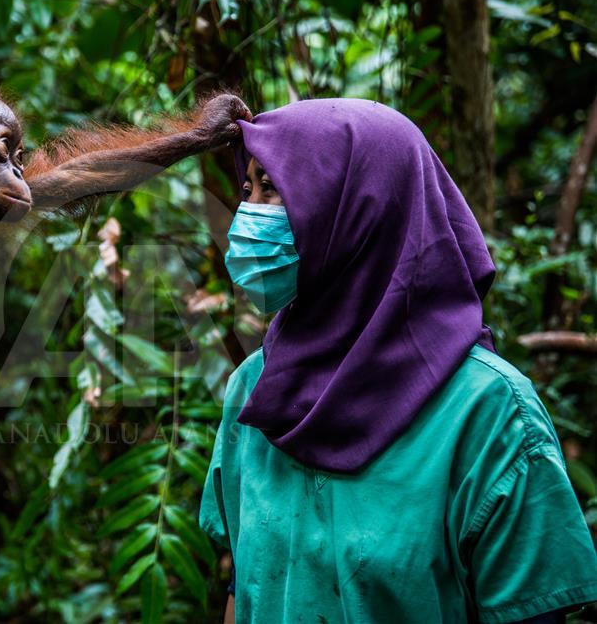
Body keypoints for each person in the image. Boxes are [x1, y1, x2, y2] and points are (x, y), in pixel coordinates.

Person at [199, 99, 597, 623]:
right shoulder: (254, 388)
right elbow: (243, 587)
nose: (248, 212)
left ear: (361, 209)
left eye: (272, 188)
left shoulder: (490, 414)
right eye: (247, 189)